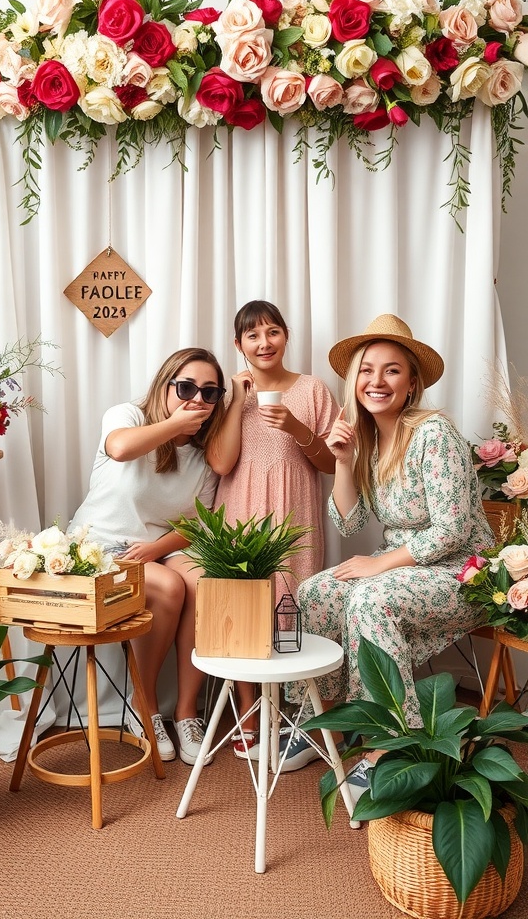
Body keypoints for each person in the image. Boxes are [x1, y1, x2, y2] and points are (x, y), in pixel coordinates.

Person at [285, 313, 493, 781]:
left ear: (412, 384)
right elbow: (349, 520)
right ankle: (325, 725)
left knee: (370, 597)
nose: (376, 381)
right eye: (367, 369)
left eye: (392, 370)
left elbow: (453, 531)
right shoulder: (369, 440)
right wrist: (342, 462)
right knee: (315, 593)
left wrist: (380, 563)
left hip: (464, 572)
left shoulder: (433, 434)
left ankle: (390, 745)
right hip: (405, 569)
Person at [67, 348, 226, 766]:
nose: (197, 400)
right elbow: (120, 450)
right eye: (187, 387)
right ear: (165, 385)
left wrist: (156, 549)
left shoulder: (204, 456)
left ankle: (187, 711)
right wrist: (172, 425)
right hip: (99, 546)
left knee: (203, 581)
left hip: (156, 549)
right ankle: (146, 705)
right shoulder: (128, 417)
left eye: (209, 393)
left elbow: (199, 523)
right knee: (169, 586)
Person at [208, 300, 338, 760]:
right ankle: (251, 715)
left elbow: (331, 463)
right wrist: (237, 402)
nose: (264, 343)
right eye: (252, 335)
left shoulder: (313, 390)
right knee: (243, 611)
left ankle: (300, 717)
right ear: (238, 344)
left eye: (272, 332)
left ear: (286, 336)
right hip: (239, 513)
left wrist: (298, 426)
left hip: (295, 514)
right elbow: (221, 463)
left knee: (292, 606)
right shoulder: (226, 395)